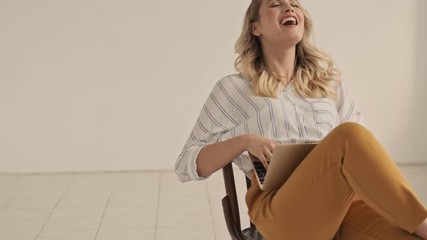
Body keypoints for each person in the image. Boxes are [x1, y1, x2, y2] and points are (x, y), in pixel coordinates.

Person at [174, 0, 427, 239]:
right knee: (349, 136)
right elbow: (186, 164)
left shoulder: (329, 85)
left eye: (295, 4)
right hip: (281, 209)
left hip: (342, 205)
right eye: (275, 4)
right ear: (256, 28)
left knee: (409, 234)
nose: (289, 7)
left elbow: (363, 157)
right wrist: (243, 142)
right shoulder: (234, 89)